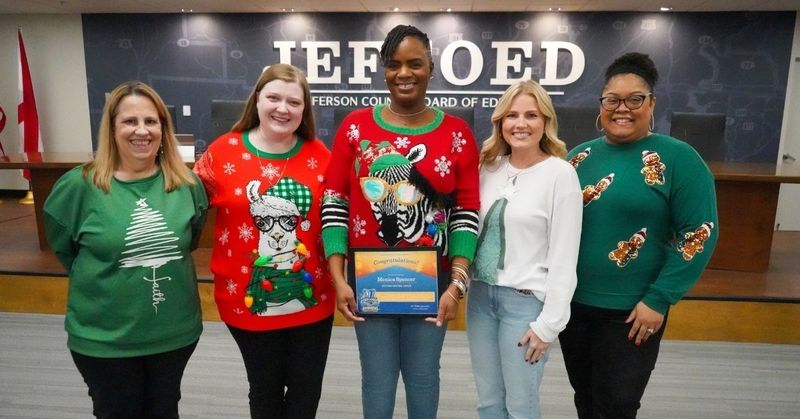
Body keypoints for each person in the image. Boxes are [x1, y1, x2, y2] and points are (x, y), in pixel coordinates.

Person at [321, 24, 480, 419]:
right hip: (367, 281)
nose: (403, 73)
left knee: (424, 377)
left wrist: (457, 286)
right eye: (393, 65)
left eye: (415, 64)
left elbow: (465, 213)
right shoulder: (356, 128)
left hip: (433, 284)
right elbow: (335, 201)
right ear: (383, 70)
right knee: (376, 378)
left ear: (431, 67)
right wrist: (338, 279)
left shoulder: (457, 134)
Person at [559, 52, 719, 419]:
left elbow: (699, 233)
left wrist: (660, 299)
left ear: (652, 104)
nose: (622, 109)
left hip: (634, 313)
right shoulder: (577, 159)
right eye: (613, 99)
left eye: (635, 99)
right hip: (575, 307)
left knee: (618, 404)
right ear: (601, 105)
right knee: (585, 397)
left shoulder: (680, 159)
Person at [43, 81, 208, 419]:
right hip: (104, 340)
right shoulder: (79, 186)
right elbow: (63, 248)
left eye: (151, 121)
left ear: (164, 128)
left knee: (164, 411)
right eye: (130, 121)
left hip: (173, 336)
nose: (142, 131)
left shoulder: (188, 186)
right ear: (112, 128)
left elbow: (189, 240)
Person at [193, 63, 334, 419]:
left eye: (294, 102)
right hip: (248, 302)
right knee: (265, 390)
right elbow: (185, 207)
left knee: (306, 393)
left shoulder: (321, 156)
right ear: (257, 100)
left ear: (305, 110)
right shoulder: (222, 152)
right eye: (273, 97)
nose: (282, 109)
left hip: (311, 300)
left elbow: (339, 219)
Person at [467, 80, 583, 419]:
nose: (521, 123)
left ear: (545, 121)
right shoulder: (487, 168)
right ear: (500, 122)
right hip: (481, 300)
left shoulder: (561, 175)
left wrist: (549, 324)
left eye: (531, 115)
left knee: (520, 405)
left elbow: (565, 257)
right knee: (488, 402)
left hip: (525, 305)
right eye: (512, 115)